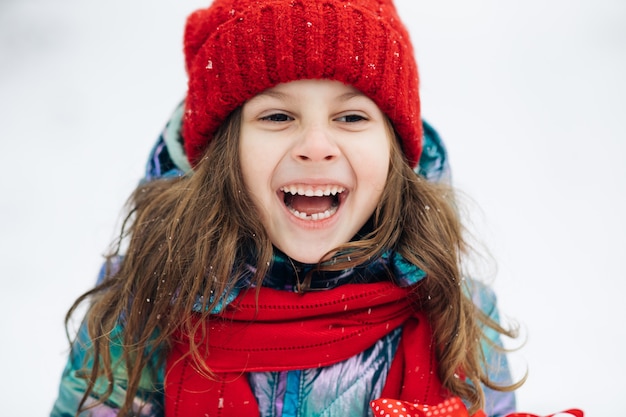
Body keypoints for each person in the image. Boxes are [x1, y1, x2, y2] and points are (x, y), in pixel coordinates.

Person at [50, 1, 522, 416]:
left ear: (395, 150)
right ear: (222, 153)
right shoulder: (145, 303)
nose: (316, 147)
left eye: (352, 117)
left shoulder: (454, 309)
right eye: (277, 116)